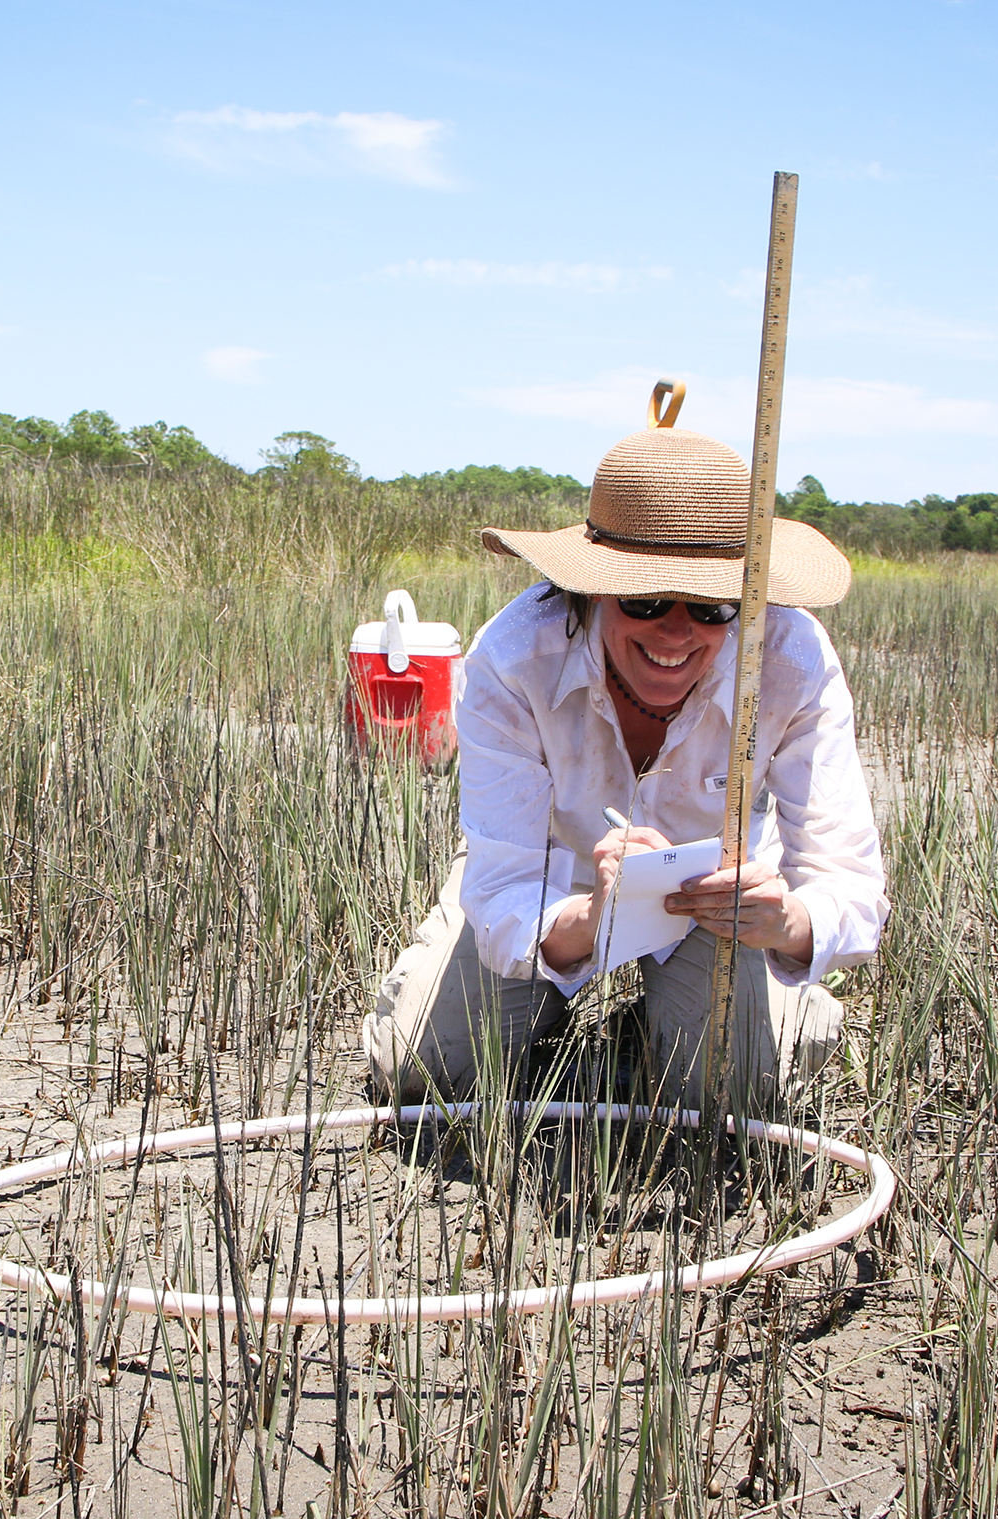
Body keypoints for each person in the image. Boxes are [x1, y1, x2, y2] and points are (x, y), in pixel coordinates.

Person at [364, 386, 889, 1116]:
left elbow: (851, 886)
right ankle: (551, 1014)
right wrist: (591, 921)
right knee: (427, 1071)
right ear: (592, 589)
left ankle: (657, 1035)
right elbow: (505, 884)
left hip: (721, 907)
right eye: (644, 601)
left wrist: (786, 923)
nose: (675, 633)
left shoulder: (791, 658)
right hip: (557, 878)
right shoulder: (512, 661)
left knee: (733, 1096)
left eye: (711, 607)